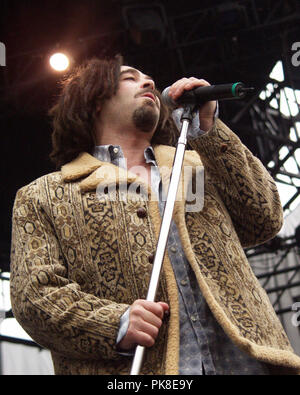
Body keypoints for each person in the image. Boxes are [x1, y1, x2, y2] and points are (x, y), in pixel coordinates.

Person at [10, 55, 300, 375]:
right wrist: (115, 324)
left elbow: (266, 217)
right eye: (130, 78)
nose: (148, 82)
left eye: (148, 78)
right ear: (92, 101)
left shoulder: (200, 168)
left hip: (250, 365)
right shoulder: (45, 196)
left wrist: (210, 132)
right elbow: (35, 297)